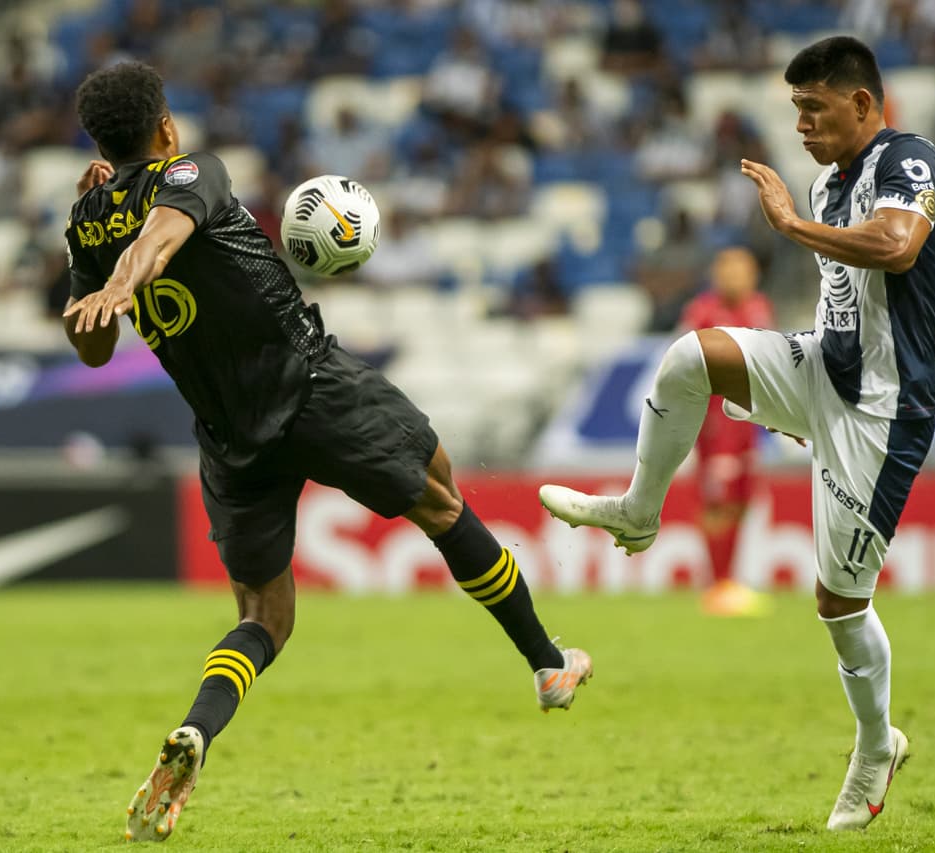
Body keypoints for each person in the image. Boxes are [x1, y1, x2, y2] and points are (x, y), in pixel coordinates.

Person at [61, 62, 591, 843]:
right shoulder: (192, 170)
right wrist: (130, 270)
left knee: (264, 615)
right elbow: (164, 234)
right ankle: (547, 662)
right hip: (309, 383)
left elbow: (94, 349)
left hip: (228, 435)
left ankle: (197, 732)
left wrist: (106, 287)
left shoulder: (84, 222)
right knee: (441, 496)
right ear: (165, 127)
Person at [540, 36, 935, 831]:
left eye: (813, 107)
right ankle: (639, 509)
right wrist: (790, 402)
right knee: (689, 357)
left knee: (838, 602)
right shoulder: (830, 183)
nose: (799, 123)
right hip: (825, 374)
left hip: (882, 411)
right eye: (793, 108)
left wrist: (792, 227)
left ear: (862, 104)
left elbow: (899, 248)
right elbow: (843, 303)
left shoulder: (910, 161)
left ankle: (876, 742)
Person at [676, 246, 774, 616]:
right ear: (717, 274)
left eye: (744, 270)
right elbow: (685, 365)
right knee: (716, 503)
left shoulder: (760, 307)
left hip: (749, 424)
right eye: (730, 269)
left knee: (742, 502)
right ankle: (716, 585)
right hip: (716, 423)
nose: (738, 277)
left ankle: (729, 582)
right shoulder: (702, 311)